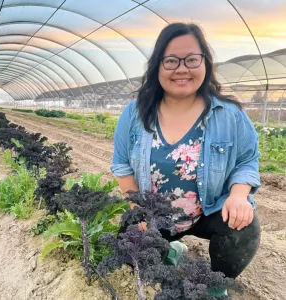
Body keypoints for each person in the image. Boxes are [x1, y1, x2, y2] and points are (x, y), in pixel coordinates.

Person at [111, 22, 261, 296]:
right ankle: (171, 251)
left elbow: (247, 160)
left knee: (243, 226)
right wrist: (140, 209)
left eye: (192, 59)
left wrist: (239, 195)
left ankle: (216, 288)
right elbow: (121, 165)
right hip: (155, 217)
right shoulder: (134, 114)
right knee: (127, 251)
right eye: (171, 61)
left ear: (205, 63)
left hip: (209, 210)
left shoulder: (229, 114)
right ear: (157, 67)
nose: (182, 68)